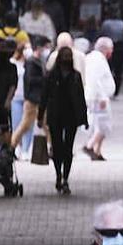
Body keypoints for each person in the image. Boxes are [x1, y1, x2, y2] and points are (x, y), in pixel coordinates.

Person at [41, 45, 87, 195]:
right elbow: (44, 96)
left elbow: (80, 98)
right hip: (56, 115)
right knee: (57, 147)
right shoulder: (51, 76)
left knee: (68, 149)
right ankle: (58, 175)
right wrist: (40, 115)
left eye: (69, 57)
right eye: (65, 57)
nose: (67, 60)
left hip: (70, 116)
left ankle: (65, 177)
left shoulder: (75, 76)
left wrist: (83, 118)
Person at [80, 37, 117, 162]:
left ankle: (97, 151)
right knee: (104, 125)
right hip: (98, 97)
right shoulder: (96, 59)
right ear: (106, 49)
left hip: (96, 96)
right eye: (111, 49)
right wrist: (101, 97)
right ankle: (89, 146)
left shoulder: (94, 58)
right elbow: (95, 79)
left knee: (98, 125)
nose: (112, 52)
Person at [12, 38, 46, 161]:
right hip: (25, 97)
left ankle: (26, 149)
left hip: (33, 98)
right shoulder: (29, 63)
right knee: (24, 125)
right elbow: (29, 80)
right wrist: (43, 79)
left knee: (40, 124)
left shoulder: (35, 62)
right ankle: (14, 146)